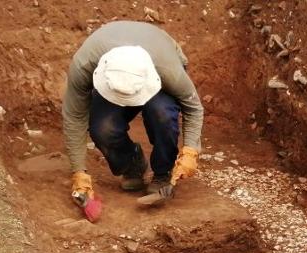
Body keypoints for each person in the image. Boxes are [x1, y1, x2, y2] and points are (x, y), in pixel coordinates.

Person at [62, 20, 204, 220]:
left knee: (161, 113)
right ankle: (132, 164)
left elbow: (193, 107)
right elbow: (74, 117)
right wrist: (79, 174)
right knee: (103, 127)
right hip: (115, 76)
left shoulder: (168, 69)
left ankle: (162, 175)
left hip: (156, 68)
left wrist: (191, 150)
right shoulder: (84, 65)